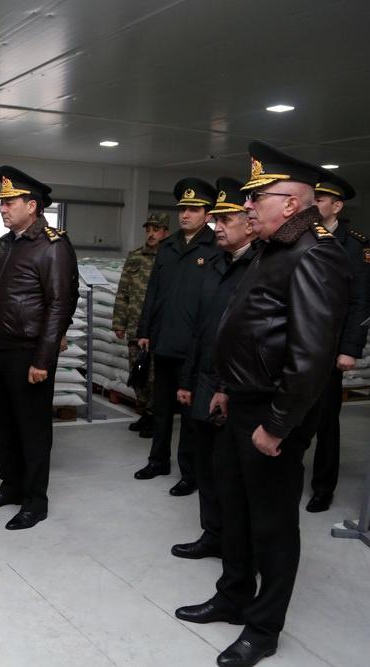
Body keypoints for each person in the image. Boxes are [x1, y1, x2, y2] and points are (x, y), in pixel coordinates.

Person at [175, 142, 349, 667]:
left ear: (291, 204)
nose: (247, 206)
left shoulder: (315, 254)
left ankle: (263, 627)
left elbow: (311, 356)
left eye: (257, 198)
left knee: (272, 525)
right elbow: (250, 327)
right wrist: (227, 387)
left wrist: (276, 425)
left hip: (274, 413)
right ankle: (232, 596)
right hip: (242, 400)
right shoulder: (273, 249)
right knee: (234, 507)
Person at [0, 166, 78, 530]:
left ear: (32, 205)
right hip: (1, 348)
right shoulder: (9, 242)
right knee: (4, 424)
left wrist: (43, 359)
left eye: (9, 202)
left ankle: (35, 500)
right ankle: (11, 486)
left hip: (29, 352)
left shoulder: (52, 245)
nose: (2, 209)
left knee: (32, 429)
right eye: (1, 203)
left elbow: (59, 305)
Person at [172, 177, 257, 560]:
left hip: (235, 388)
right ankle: (213, 534)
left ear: (250, 224)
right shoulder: (216, 264)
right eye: (216, 219)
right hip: (205, 381)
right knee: (207, 468)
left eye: (226, 219)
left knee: (235, 474)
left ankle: (241, 547)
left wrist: (223, 385)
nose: (217, 226)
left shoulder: (259, 266)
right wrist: (187, 380)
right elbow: (200, 329)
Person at [134, 177, 221, 496]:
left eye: (193, 209)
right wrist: (145, 330)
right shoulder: (168, 246)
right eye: (182, 209)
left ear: (207, 214)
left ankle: (189, 472)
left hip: (193, 347)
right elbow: (153, 292)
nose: (185, 214)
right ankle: (157, 460)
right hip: (164, 341)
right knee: (160, 408)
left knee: (190, 415)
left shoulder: (215, 248)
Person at [302, 173, 369, 512]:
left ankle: (323, 487)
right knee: (294, 415)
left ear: (337, 206)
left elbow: (360, 302)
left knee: (326, 421)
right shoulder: (302, 237)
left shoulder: (355, 245)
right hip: (299, 343)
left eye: (320, 200)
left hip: (330, 346)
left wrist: (349, 349)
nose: (313, 205)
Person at [112, 212, 170, 437]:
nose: (151, 234)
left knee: (155, 377)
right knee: (137, 373)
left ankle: (156, 417)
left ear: (166, 232)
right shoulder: (136, 257)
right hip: (136, 327)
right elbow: (123, 292)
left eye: (156, 230)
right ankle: (145, 412)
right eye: (148, 230)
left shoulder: (170, 257)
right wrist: (119, 322)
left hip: (158, 329)